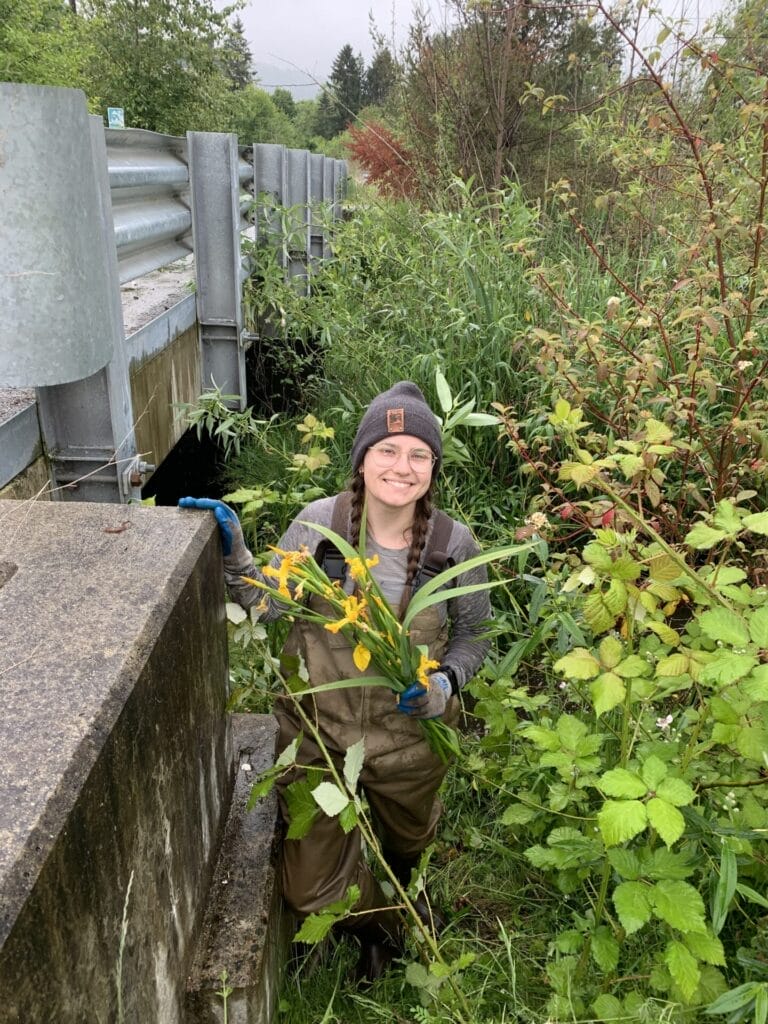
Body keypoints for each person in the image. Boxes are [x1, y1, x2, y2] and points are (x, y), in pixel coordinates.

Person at [180, 381, 491, 982]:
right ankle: (384, 924)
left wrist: (444, 686)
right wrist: (236, 554)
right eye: (387, 450)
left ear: (433, 467)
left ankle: (394, 904)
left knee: (408, 848)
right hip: (321, 739)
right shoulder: (319, 528)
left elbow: (476, 638)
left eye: (418, 454)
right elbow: (265, 604)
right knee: (309, 886)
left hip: (413, 743)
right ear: (362, 458)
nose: (402, 467)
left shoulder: (454, 546)